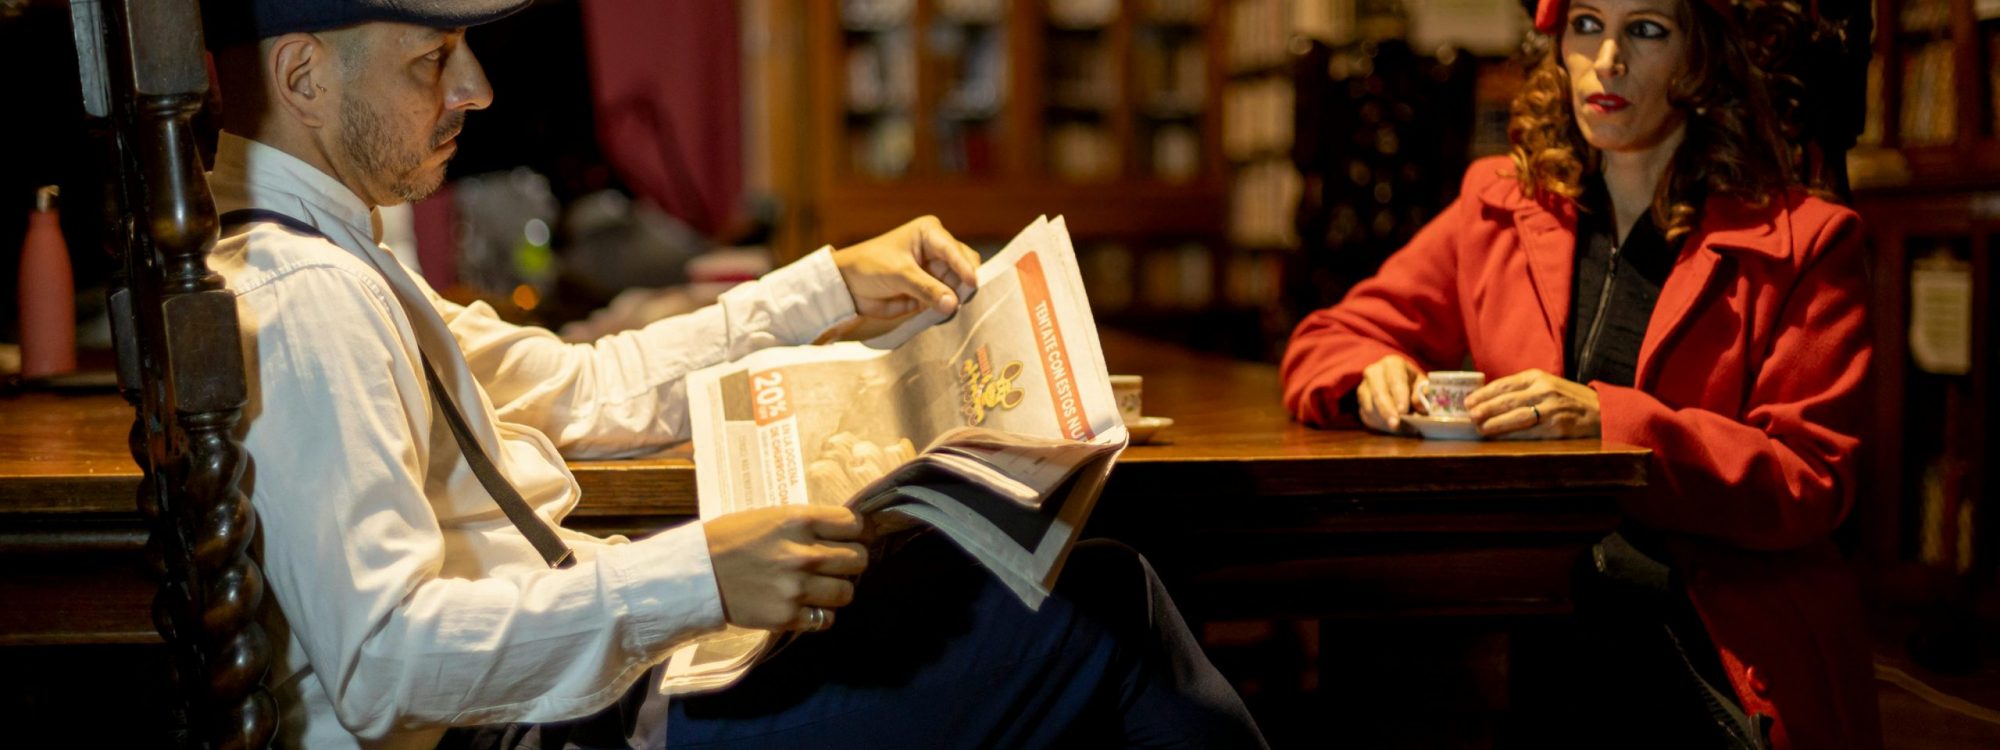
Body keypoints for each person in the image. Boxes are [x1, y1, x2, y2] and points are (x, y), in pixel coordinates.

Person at [198, 1, 1265, 747]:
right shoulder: (305, 300)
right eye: (431, 58)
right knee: (1099, 612)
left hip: (585, 697)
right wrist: (698, 579)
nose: (473, 87)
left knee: (1077, 597)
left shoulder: (333, 257)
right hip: (557, 731)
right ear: (301, 77)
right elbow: (382, 664)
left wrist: (828, 289)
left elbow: (580, 388)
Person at [1280, 0, 1877, 747]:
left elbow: (1811, 480)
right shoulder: (1499, 202)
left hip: (1706, 634)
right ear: (1558, 47)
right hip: (1524, 609)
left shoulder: (1805, 242)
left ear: (1701, 59)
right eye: (1587, 26)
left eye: (1647, 30)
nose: (1609, 59)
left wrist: (1613, 426)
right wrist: (1375, 368)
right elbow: (1329, 337)